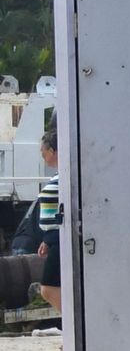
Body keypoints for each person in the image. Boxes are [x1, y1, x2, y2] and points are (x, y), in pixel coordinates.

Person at [0, 120, 60, 311]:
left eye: (43, 150)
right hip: (53, 239)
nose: (42, 154)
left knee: (48, 289)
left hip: (58, 240)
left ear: (52, 151)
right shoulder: (58, 176)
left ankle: (71, 326)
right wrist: (46, 239)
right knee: (51, 288)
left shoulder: (64, 177)